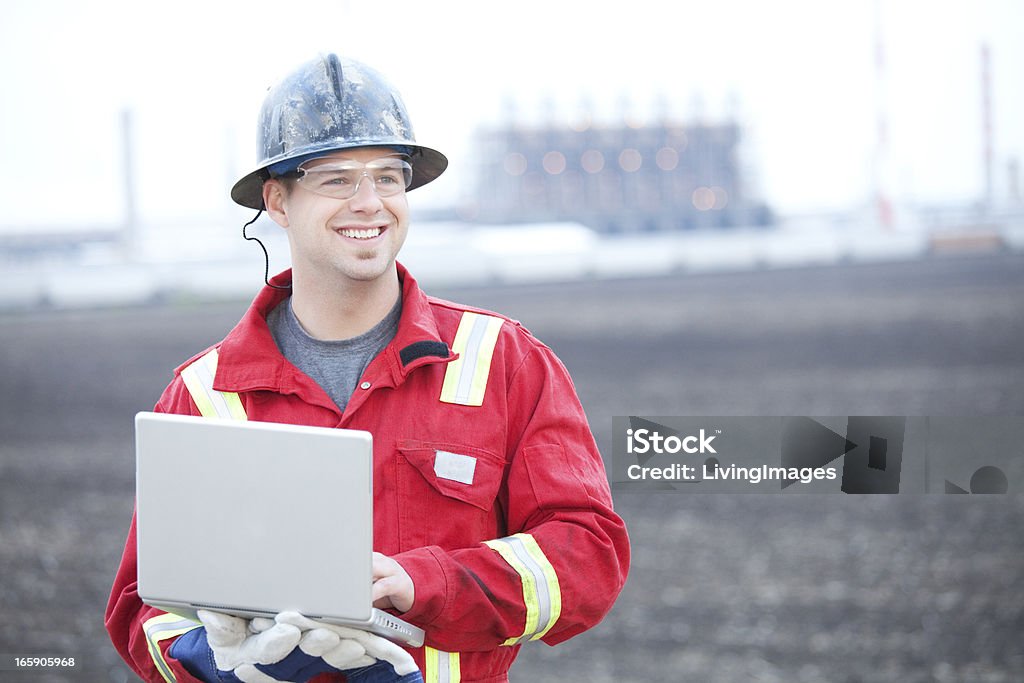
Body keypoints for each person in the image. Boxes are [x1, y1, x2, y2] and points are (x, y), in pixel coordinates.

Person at [106, 53, 630, 683]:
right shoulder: (204, 394)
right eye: (336, 180)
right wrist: (208, 659)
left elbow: (588, 553)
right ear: (276, 200)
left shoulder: (505, 363)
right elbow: (143, 607)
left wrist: (427, 582)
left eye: (388, 177)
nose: (370, 203)